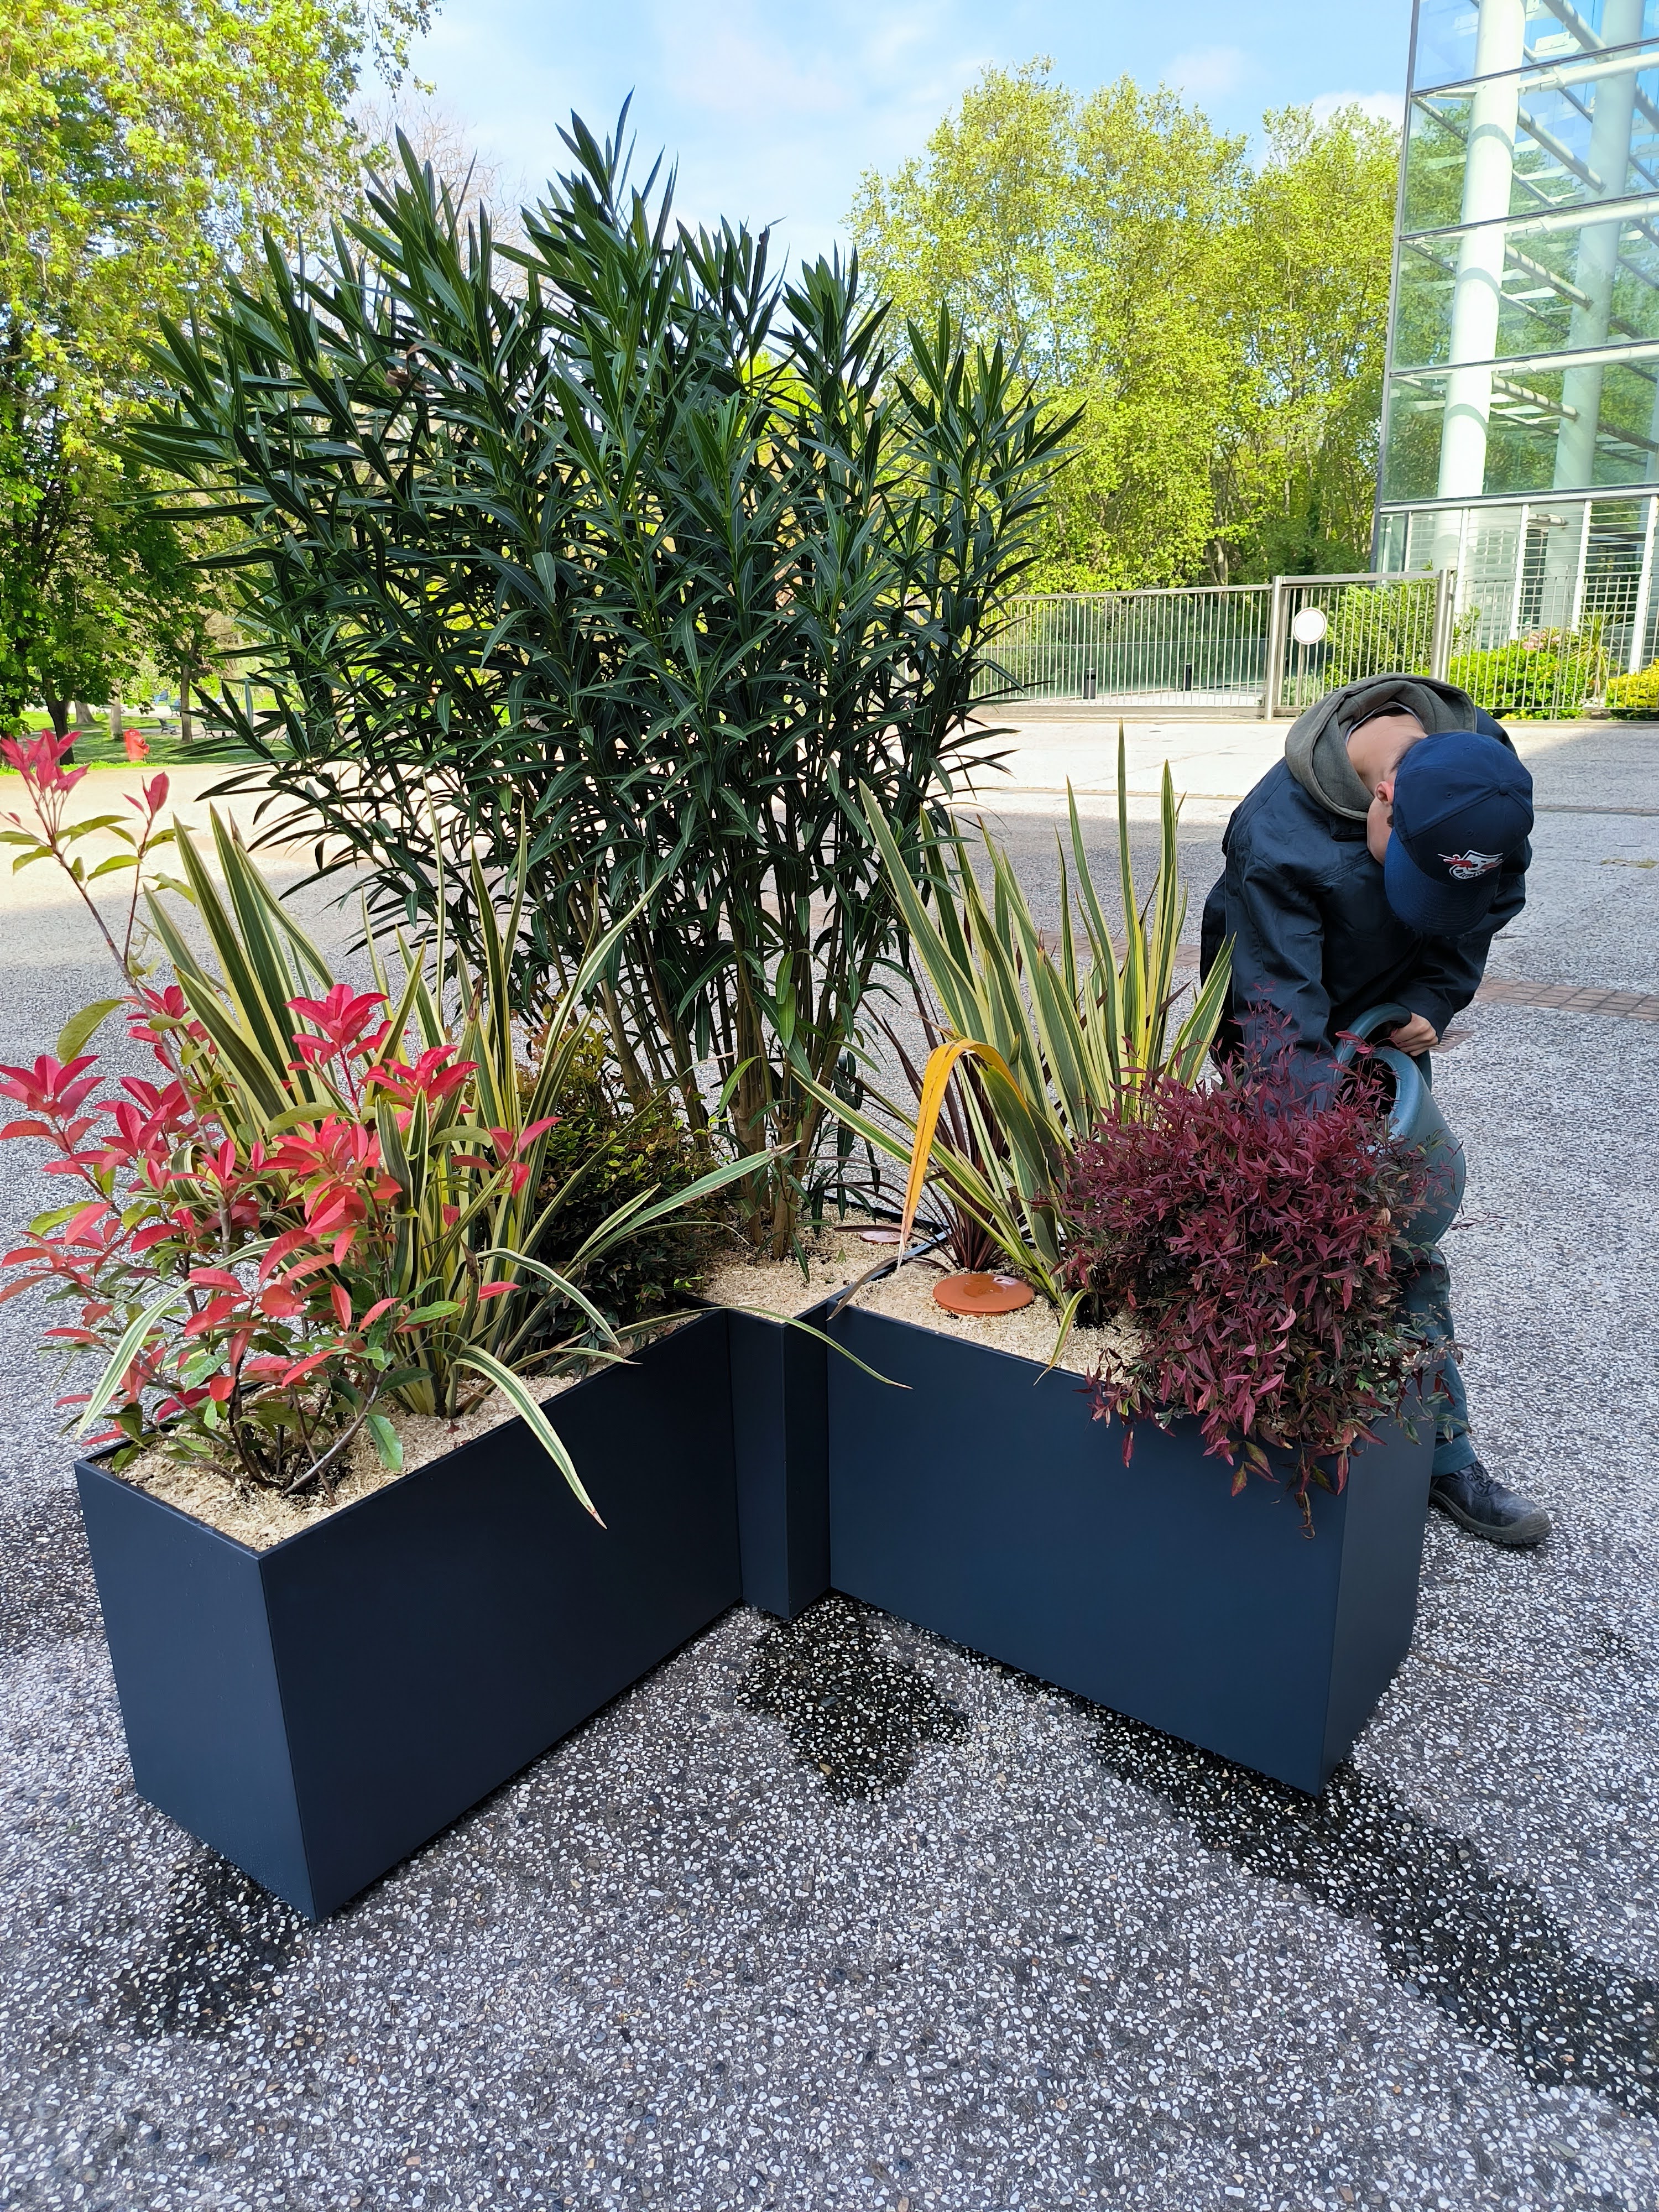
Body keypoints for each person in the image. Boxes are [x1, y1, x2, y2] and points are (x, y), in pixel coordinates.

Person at [1198, 673, 1550, 1547]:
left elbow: (1485, 906)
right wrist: (1331, 1162)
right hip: (1281, 1021)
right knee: (1292, 1231)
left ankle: (1443, 1455)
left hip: (1391, 1025)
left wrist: (1437, 997)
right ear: (1382, 800)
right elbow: (1280, 1016)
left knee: (1406, 1246)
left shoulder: (1482, 780)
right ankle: (1266, 1447)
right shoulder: (1275, 835)